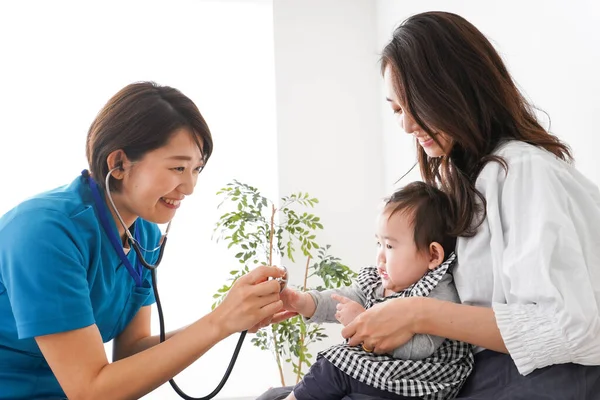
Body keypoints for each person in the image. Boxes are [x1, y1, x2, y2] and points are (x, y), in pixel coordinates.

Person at [257, 11, 600, 400]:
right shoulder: (468, 183)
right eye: (396, 111)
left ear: (453, 90)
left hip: (536, 380)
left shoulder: (524, 171)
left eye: (411, 106)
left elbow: (573, 327)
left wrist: (418, 313)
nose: (405, 126)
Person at [0, 82, 286, 400]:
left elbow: (132, 352)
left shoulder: (142, 231)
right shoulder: (42, 233)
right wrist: (218, 322)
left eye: (197, 169)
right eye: (178, 167)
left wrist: (231, 321)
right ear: (119, 164)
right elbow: (90, 390)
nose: (190, 186)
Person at [277, 181, 474, 400]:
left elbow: (421, 347)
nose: (380, 256)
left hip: (419, 382)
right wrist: (303, 301)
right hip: (388, 372)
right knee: (275, 393)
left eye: (389, 246)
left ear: (433, 256)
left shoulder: (437, 291)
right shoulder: (378, 283)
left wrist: (364, 320)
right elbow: (342, 299)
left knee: (334, 367)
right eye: (378, 244)